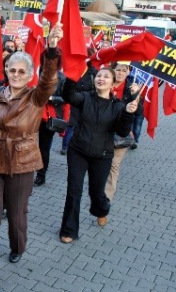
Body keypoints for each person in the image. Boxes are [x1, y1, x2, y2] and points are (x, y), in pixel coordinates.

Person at [0, 25, 63, 282]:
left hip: (23, 161)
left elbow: (49, 79)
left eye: (22, 71)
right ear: (6, 71)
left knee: (17, 211)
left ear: (30, 75)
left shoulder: (36, 96)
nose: (16, 74)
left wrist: (52, 48)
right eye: (12, 70)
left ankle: (17, 246)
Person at [59, 67, 138, 244]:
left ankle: (102, 210)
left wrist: (128, 113)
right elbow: (69, 96)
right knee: (74, 191)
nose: (101, 79)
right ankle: (69, 230)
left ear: (112, 83)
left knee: (96, 192)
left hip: (102, 155)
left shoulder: (118, 106)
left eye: (106, 76)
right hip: (78, 151)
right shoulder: (85, 97)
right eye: (99, 76)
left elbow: (123, 131)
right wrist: (72, 78)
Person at [105, 62, 141, 201]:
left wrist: (135, 95)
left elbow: (140, 112)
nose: (120, 73)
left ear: (128, 72)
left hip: (120, 135)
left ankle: (107, 198)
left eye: (124, 70)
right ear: (112, 70)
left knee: (114, 165)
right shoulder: (104, 82)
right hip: (102, 131)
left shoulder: (131, 87)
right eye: (117, 70)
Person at [33, 56, 67, 187]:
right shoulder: (37, 72)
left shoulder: (62, 77)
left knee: (43, 148)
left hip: (48, 117)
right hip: (33, 114)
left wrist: (51, 98)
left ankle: (41, 175)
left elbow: (65, 98)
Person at [61, 58, 98, 155]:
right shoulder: (74, 69)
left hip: (85, 103)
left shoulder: (92, 73)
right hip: (72, 102)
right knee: (70, 125)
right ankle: (65, 147)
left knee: (79, 125)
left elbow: (94, 89)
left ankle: (77, 145)